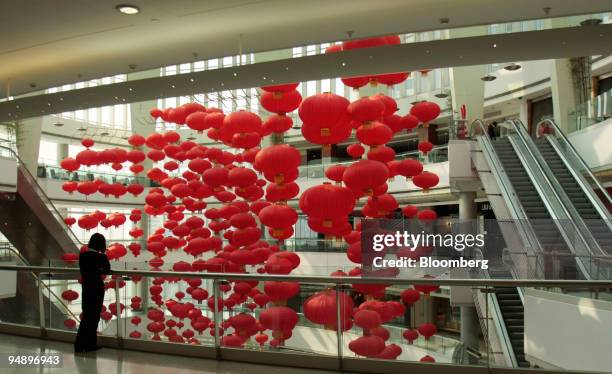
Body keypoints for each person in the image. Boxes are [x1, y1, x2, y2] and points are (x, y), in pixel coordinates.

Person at [74, 233, 111, 353]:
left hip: (86, 288)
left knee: (86, 317)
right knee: (94, 317)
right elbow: (107, 269)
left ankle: (79, 345)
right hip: (97, 289)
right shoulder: (101, 257)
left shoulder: (83, 256)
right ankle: (90, 344)